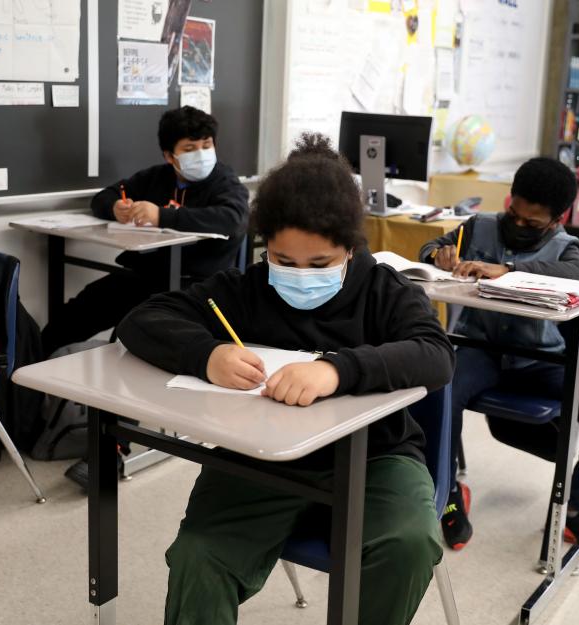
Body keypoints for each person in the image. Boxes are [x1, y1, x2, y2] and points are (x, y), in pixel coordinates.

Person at [116, 134, 456, 625]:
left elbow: (435, 354)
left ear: (351, 247)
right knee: (199, 554)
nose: (300, 275)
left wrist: (335, 370)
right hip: (260, 459)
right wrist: (206, 354)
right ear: (264, 247)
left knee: (409, 542)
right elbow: (143, 318)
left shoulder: (384, 290)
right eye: (283, 261)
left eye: (319, 265)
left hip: (374, 457)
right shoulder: (247, 289)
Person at [420, 157, 579, 559]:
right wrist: (439, 255)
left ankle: (578, 512)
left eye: (532, 223)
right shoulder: (480, 226)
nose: (517, 225)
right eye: (514, 213)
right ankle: (447, 495)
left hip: (540, 360)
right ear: (510, 199)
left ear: (557, 219)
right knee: (439, 393)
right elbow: (430, 247)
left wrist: (508, 269)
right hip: (482, 351)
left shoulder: (566, 248)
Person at [40, 106, 249, 356]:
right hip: (146, 276)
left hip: (198, 285)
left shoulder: (225, 182)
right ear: (170, 156)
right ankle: (29, 370)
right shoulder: (155, 178)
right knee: (76, 313)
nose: (201, 154)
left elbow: (232, 218)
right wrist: (115, 207)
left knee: (141, 333)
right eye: (190, 149)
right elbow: (104, 196)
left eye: (206, 145)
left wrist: (161, 215)